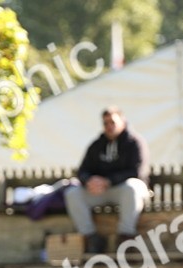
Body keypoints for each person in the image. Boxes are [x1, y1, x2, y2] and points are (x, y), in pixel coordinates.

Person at [63, 107, 151, 254]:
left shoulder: (134, 143)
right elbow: (82, 171)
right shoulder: (96, 145)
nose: (109, 126)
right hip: (101, 191)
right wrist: (89, 181)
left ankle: (126, 238)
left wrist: (108, 181)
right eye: (105, 123)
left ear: (122, 122)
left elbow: (137, 171)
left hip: (124, 190)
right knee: (73, 193)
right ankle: (91, 238)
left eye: (112, 122)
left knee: (132, 187)